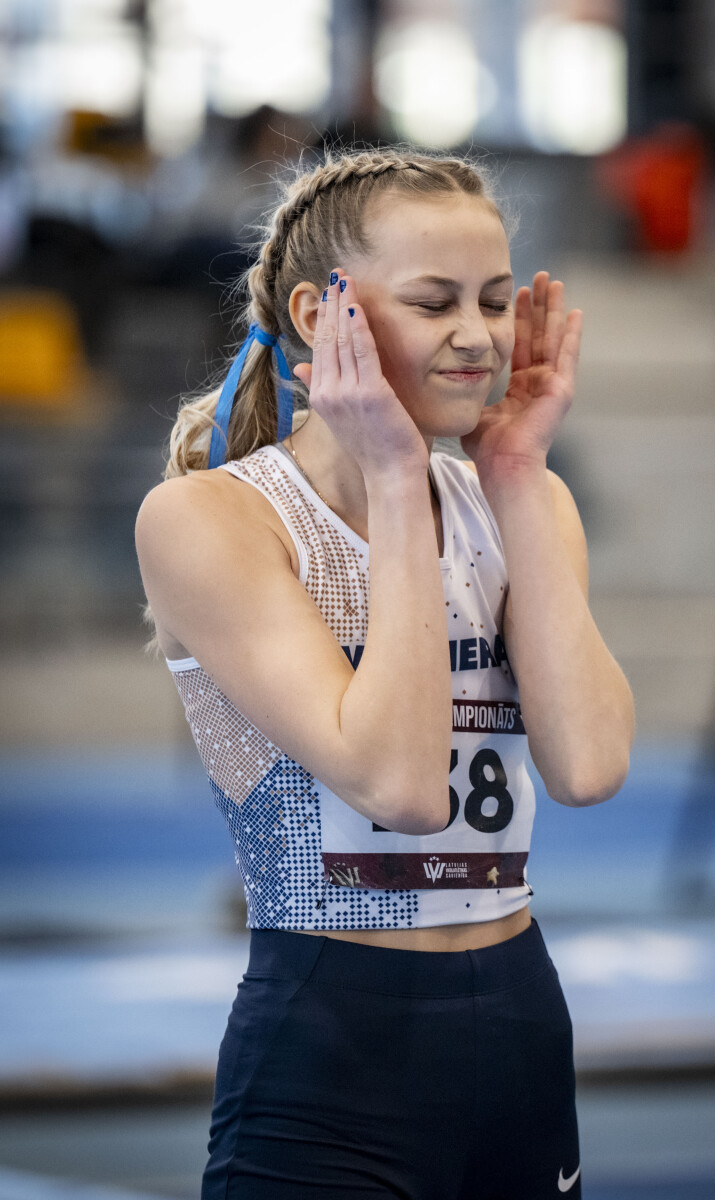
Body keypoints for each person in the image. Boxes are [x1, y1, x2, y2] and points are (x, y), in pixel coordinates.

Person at [135, 147, 635, 1200]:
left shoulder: (522, 500)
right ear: (323, 316)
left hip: (519, 1017)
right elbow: (401, 787)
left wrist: (515, 474)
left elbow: (589, 767)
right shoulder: (211, 518)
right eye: (434, 301)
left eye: (494, 300)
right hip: (332, 1035)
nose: (478, 336)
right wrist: (399, 479)